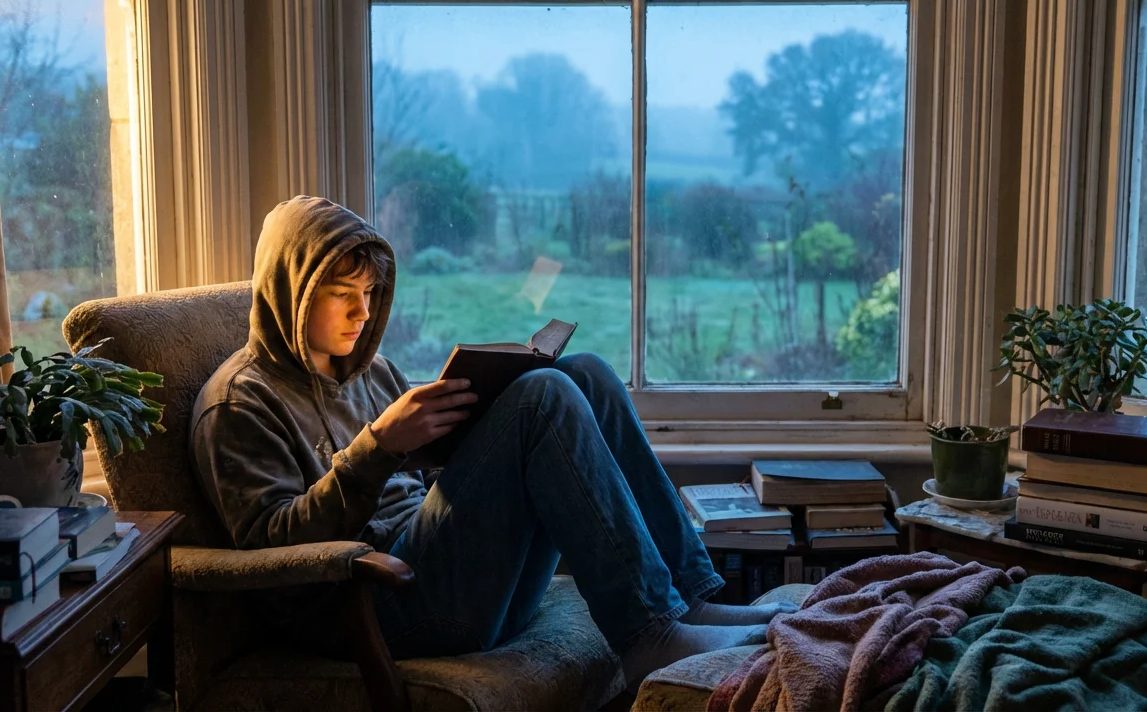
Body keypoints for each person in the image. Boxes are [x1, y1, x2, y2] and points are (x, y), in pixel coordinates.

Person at [190, 196, 795, 687]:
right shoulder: (239, 404)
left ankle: (685, 600)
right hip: (378, 603)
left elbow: (429, 479)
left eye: (370, 294)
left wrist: (470, 432)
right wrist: (378, 447)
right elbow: (271, 553)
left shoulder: (369, 370)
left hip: (456, 572)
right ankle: (648, 638)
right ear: (291, 291)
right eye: (341, 294)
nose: (362, 312)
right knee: (543, 397)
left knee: (581, 374)